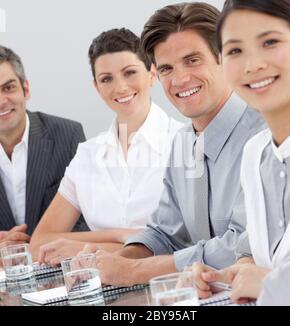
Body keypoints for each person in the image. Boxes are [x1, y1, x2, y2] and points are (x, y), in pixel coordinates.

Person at [82, 2, 265, 295]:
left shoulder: (265, 133)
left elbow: (245, 246)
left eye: (192, 60)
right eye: (166, 68)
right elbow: (164, 232)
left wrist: (134, 271)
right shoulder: (182, 141)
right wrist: (113, 263)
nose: (179, 80)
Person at [30, 28, 183, 264]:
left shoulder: (183, 142)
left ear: (152, 74)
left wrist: (85, 247)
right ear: (97, 87)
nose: (120, 87)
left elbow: (189, 242)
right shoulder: (87, 155)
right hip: (99, 290)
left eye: (130, 72)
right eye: (106, 79)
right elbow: (40, 242)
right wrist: (119, 236)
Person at [198, 0, 290, 305]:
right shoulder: (255, 154)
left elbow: (276, 279)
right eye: (234, 50)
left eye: (269, 41)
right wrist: (224, 278)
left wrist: (272, 283)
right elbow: (266, 264)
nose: (252, 64)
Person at [0, 46, 87, 250]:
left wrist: (34, 246)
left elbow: (88, 217)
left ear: (26, 89)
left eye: (8, 88)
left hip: (58, 266)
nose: (2, 101)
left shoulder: (68, 135)